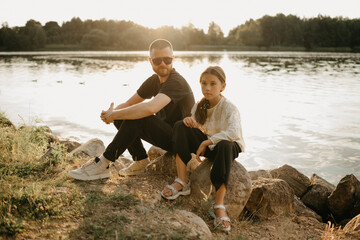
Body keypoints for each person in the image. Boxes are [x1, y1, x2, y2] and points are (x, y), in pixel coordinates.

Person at [68, 39, 195, 180]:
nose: (163, 64)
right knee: (125, 115)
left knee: (139, 117)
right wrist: (111, 114)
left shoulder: (177, 82)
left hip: (184, 141)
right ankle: (140, 160)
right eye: (157, 61)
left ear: (173, 59)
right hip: (169, 135)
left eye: (167, 59)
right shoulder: (153, 81)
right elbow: (129, 103)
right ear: (150, 61)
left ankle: (103, 163)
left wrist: (115, 114)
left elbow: (150, 108)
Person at [161, 66, 245, 232]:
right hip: (207, 143)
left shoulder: (229, 108)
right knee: (180, 126)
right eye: (204, 83)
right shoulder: (200, 105)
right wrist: (189, 122)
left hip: (228, 146)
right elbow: (197, 125)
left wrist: (207, 142)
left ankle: (219, 205)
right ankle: (182, 181)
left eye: (213, 84)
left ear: (223, 86)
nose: (207, 88)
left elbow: (233, 133)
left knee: (224, 144)